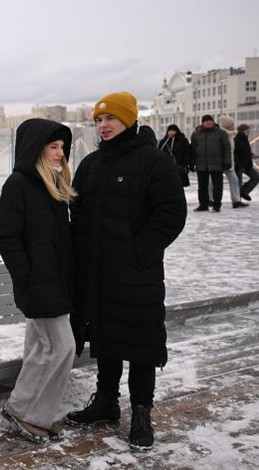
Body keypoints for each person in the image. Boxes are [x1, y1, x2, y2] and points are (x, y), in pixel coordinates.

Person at [66, 91, 187, 451]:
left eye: (110, 119)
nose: (103, 126)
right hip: (99, 273)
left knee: (140, 343)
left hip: (137, 274)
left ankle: (141, 413)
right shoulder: (91, 164)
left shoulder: (153, 161)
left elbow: (171, 214)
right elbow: (78, 211)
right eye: (99, 121)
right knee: (105, 338)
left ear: (129, 120)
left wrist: (140, 254)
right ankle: (106, 402)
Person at [0, 119, 77, 444]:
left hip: (55, 282)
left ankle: (36, 414)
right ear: (36, 149)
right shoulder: (19, 184)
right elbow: (5, 236)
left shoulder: (51, 184)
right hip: (39, 284)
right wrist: (26, 276)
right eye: (53, 147)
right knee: (60, 347)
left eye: (62, 148)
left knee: (43, 348)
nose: (60, 153)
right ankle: (21, 410)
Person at [189, 115, 231, 212]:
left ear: (213, 122)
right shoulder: (196, 134)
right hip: (201, 164)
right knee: (202, 186)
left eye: (210, 120)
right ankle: (203, 204)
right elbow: (192, 149)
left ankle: (216, 205)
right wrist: (191, 162)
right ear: (202, 123)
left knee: (217, 186)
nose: (208, 122)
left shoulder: (221, 133)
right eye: (206, 121)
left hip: (217, 164)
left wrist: (227, 162)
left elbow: (227, 149)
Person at [218, 116, 247, 208]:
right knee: (214, 181)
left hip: (229, 161)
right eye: (231, 124)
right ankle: (211, 199)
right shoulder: (222, 134)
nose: (233, 126)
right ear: (226, 125)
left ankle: (236, 200)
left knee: (234, 180)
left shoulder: (231, 134)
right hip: (221, 161)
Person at [235, 124, 259, 201]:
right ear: (241, 131)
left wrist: (252, 155)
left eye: (249, 132)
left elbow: (246, 152)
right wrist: (239, 165)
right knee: (238, 183)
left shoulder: (245, 140)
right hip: (239, 166)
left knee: (257, 177)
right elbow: (235, 154)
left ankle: (244, 191)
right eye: (247, 131)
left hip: (247, 165)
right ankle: (237, 200)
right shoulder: (236, 140)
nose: (248, 133)